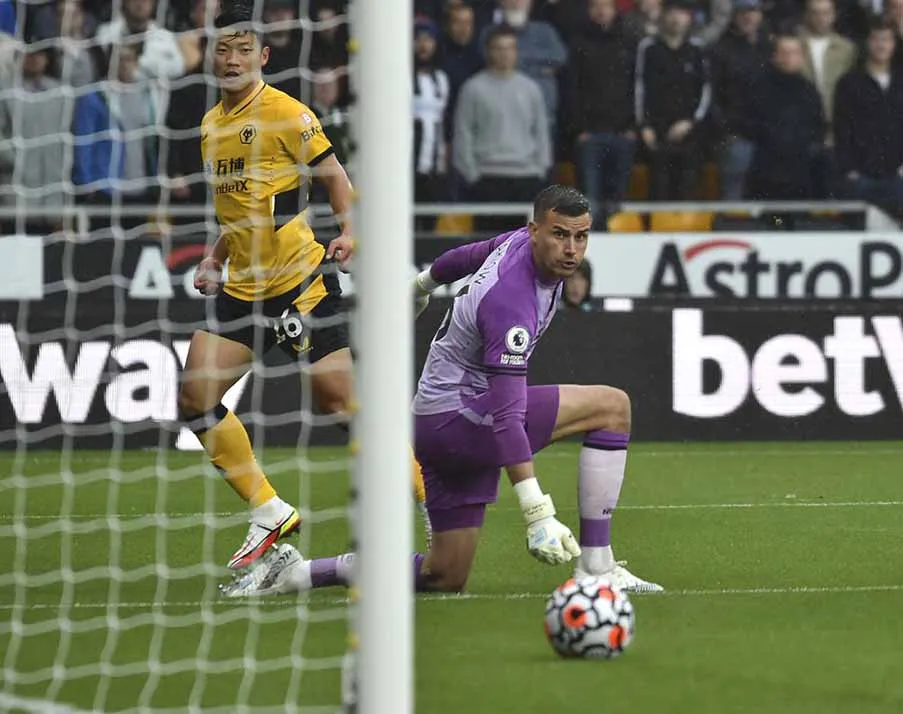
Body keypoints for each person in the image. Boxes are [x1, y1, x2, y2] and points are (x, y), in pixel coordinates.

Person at [221, 185, 663, 598]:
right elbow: (508, 416)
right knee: (612, 407)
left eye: (581, 237)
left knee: (444, 573)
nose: (571, 249)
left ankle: (297, 573)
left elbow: (467, 255)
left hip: (435, 423)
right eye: (560, 235)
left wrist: (420, 286)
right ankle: (597, 566)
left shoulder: (517, 243)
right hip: (462, 420)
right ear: (535, 231)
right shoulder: (512, 301)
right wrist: (537, 512)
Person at [178, 1, 426, 572]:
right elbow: (241, 211)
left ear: (263, 56)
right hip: (242, 290)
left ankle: (429, 495)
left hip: (298, 284)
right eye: (224, 49)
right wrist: (215, 258)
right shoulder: (211, 125)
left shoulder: (288, 112)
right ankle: (269, 510)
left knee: (342, 404)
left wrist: (350, 231)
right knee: (194, 398)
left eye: (244, 50)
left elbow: (335, 177)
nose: (232, 59)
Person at [833, 18, 903, 217]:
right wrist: (849, 169)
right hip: (860, 176)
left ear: (894, 44)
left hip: (898, 175)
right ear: (866, 43)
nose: (881, 45)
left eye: (886, 39)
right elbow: (842, 128)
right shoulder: (849, 82)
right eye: (876, 39)